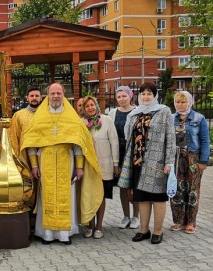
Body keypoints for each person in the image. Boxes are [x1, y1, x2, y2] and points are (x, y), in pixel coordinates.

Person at [21, 83, 104, 245]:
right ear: (48, 96)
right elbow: (31, 143)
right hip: (45, 160)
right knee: (46, 196)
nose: (56, 96)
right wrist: (34, 165)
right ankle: (47, 234)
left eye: (59, 93)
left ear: (63, 95)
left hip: (68, 160)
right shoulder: (40, 116)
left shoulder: (71, 117)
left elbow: (78, 144)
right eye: (53, 93)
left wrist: (80, 167)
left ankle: (65, 234)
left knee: (68, 195)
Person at [119, 82, 175, 245]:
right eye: (143, 94)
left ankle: (158, 231)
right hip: (138, 161)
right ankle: (143, 229)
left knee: (157, 197)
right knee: (142, 197)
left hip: (157, 161)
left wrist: (169, 161)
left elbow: (170, 138)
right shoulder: (135, 113)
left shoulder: (164, 111)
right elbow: (129, 136)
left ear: (155, 95)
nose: (145, 97)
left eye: (149, 93)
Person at [80, 96, 120, 239]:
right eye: (87, 106)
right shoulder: (82, 123)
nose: (90, 108)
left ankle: (99, 225)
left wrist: (116, 163)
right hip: (88, 166)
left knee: (100, 196)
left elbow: (114, 142)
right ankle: (89, 225)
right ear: (84, 109)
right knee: (88, 195)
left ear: (96, 106)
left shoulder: (106, 120)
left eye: (92, 105)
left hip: (104, 164)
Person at [170, 91, 210, 234]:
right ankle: (179, 220)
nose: (180, 105)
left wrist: (203, 161)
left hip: (192, 158)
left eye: (183, 102)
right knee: (177, 190)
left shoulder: (199, 118)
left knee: (192, 190)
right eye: (178, 102)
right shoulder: (171, 118)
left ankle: (191, 221)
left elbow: (205, 140)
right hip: (176, 158)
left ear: (189, 102)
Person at [109, 86, 140, 229]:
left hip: (133, 151)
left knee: (134, 185)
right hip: (118, 151)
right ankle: (126, 216)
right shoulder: (113, 113)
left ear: (130, 96)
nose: (121, 99)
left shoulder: (137, 112)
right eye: (119, 97)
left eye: (124, 96)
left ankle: (136, 216)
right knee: (122, 185)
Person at [9, 87, 42, 211]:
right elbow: (13, 137)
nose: (34, 98)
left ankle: (41, 215)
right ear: (27, 98)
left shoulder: (46, 114)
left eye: (37, 96)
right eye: (32, 96)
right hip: (24, 157)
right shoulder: (18, 115)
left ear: (41, 98)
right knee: (28, 185)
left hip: (43, 155)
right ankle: (28, 215)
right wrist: (17, 159)